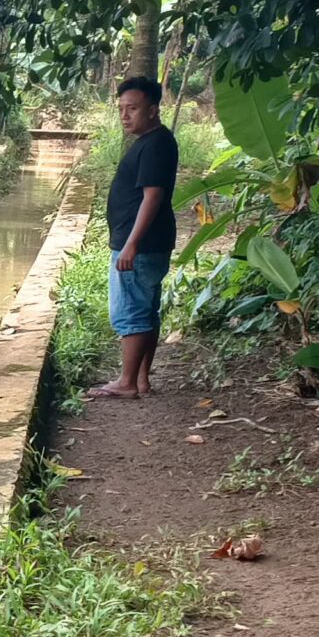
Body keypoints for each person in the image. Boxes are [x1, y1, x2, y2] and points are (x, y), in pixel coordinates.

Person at [89, 75, 179, 399]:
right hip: (150, 243)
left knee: (131, 311)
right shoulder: (155, 141)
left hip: (139, 245)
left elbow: (152, 197)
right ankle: (141, 380)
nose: (125, 116)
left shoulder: (154, 144)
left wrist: (131, 243)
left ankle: (126, 382)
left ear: (152, 110)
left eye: (133, 108)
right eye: (121, 109)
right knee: (146, 310)